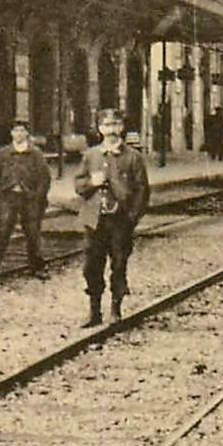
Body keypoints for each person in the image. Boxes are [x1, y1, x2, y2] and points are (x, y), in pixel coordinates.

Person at [75, 108, 150, 326]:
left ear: (122, 128)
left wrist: (131, 218)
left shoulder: (133, 157)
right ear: (99, 129)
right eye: (106, 126)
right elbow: (78, 185)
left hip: (120, 221)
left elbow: (142, 192)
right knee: (91, 266)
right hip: (94, 220)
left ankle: (116, 309)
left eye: (115, 125)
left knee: (118, 264)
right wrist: (91, 183)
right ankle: (94, 312)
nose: (111, 130)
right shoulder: (91, 155)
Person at [0, 117, 51, 279]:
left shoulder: (35, 153)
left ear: (27, 133)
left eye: (22, 130)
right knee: (4, 230)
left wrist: (38, 196)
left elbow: (44, 177)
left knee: (33, 231)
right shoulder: (4, 153)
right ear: (11, 133)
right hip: (8, 197)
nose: (18, 134)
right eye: (15, 130)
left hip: (30, 198)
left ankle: (37, 266)